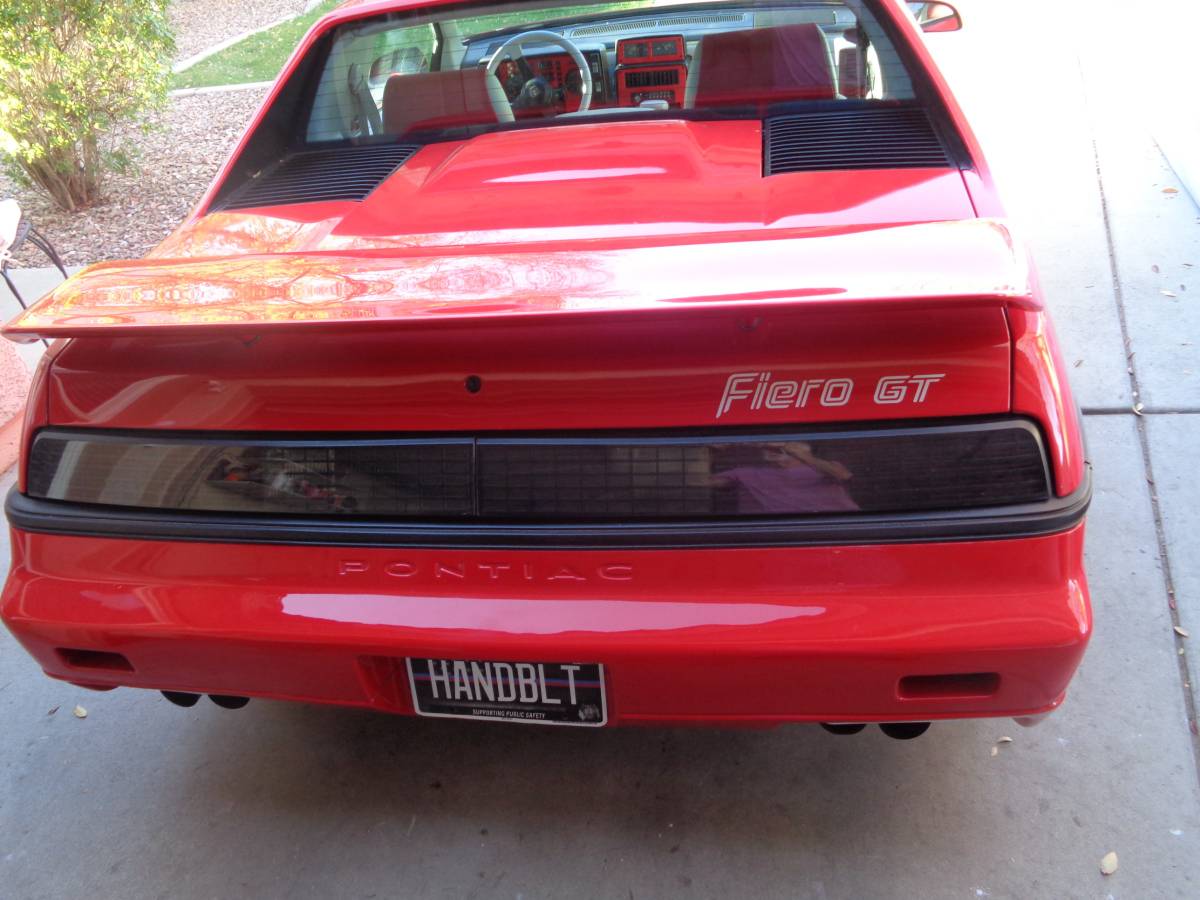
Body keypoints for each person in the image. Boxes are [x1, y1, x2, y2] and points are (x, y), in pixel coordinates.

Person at [707, 441, 858, 514]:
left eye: (781, 446)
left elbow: (843, 475)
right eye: (767, 447)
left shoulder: (824, 467)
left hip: (834, 529)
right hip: (775, 535)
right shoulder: (745, 473)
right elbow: (700, 483)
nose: (774, 449)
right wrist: (713, 450)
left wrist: (803, 456)